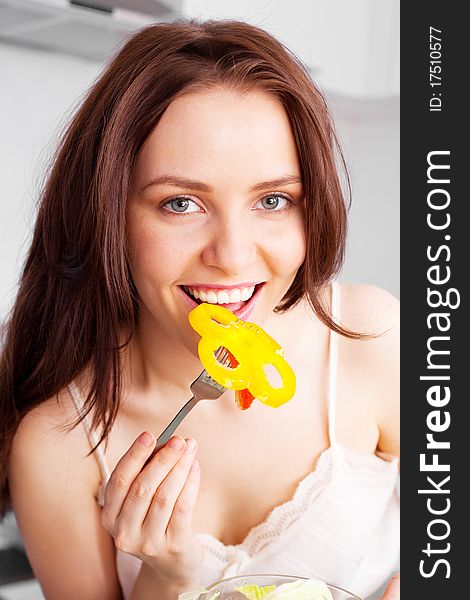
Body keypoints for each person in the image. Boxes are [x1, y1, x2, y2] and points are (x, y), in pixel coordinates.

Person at [0, 20, 399, 600]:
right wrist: (166, 577)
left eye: (273, 200)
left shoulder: (371, 337)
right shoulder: (59, 448)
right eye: (181, 203)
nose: (233, 257)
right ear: (106, 213)